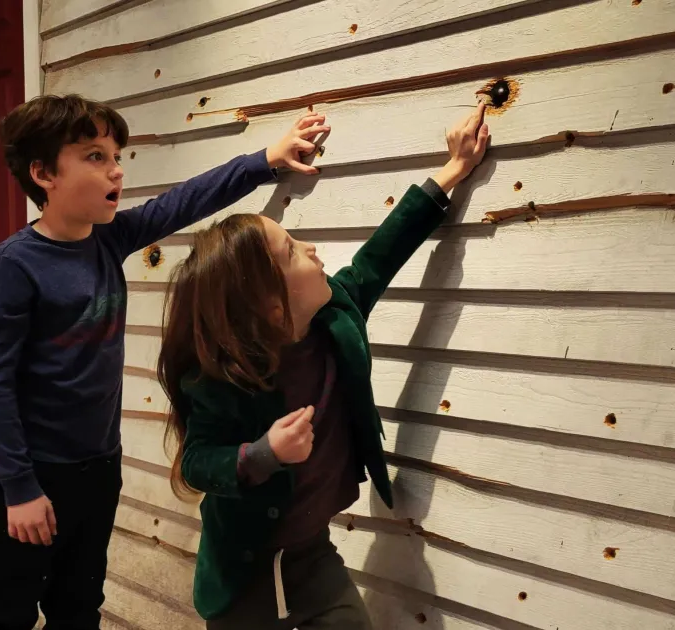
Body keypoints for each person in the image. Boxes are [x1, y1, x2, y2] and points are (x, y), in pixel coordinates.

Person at [0, 93, 329, 630]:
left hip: (96, 467)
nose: (115, 170)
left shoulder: (108, 240)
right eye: (94, 157)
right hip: (26, 474)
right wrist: (20, 489)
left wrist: (265, 160)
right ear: (43, 173)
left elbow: (183, 202)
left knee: (78, 606)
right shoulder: (12, 268)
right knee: (7, 611)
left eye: (116, 156)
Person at [156, 102, 491, 629]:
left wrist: (451, 171)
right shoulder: (223, 379)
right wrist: (264, 453)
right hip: (244, 568)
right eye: (292, 251)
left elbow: (380, 255)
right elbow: (198, 462)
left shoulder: (336, 313)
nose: (312, 249)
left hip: (310, 552)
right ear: (271, 306)